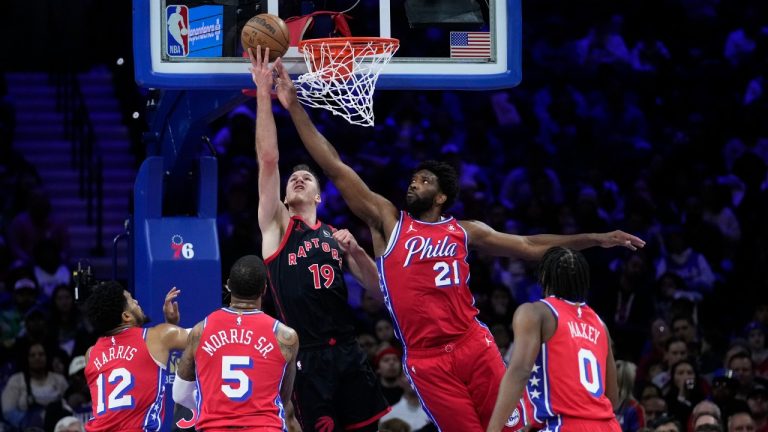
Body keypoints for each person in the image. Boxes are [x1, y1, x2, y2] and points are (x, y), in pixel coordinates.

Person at [265, 53, 645, 431]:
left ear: (442, 196)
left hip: (473, 345)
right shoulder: (388, 221)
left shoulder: (465, 230)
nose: (415, 183)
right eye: (414, 179)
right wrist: (294, 104)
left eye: (425, 181)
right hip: (427, 360)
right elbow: (334, 165)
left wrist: (595, 238)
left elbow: (529, 245)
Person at [249, 47, 390, 432]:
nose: (299, 176)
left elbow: (379, 294)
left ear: (318, 197)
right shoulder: (276, 227)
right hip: (307, 357)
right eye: (294, 177)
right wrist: (265, 93)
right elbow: (268, 159)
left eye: (307, 177)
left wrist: (358, 252)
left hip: (348, 350)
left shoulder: (335, 236)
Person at [487, 247, 621, 431]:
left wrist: (493, 429)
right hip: (607, 426)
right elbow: (612, 398)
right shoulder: (600, 325)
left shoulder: (535, 312)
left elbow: (520, 372)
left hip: (563, 425)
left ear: (544, 278)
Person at [172, 255, 299, 431]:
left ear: (229, 285)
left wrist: (214, 404)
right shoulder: (286, 336)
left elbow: (179, 394)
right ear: (264, 289)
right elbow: (283, 400)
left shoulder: (201, 330)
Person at [82, 283, 188, 432]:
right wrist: (171, 328)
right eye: (131, 300)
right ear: (126, 316)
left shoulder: (91, 354)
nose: (137, 302)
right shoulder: (157, 337)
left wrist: (170, 327)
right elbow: (203, 339)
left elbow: (134, 365)